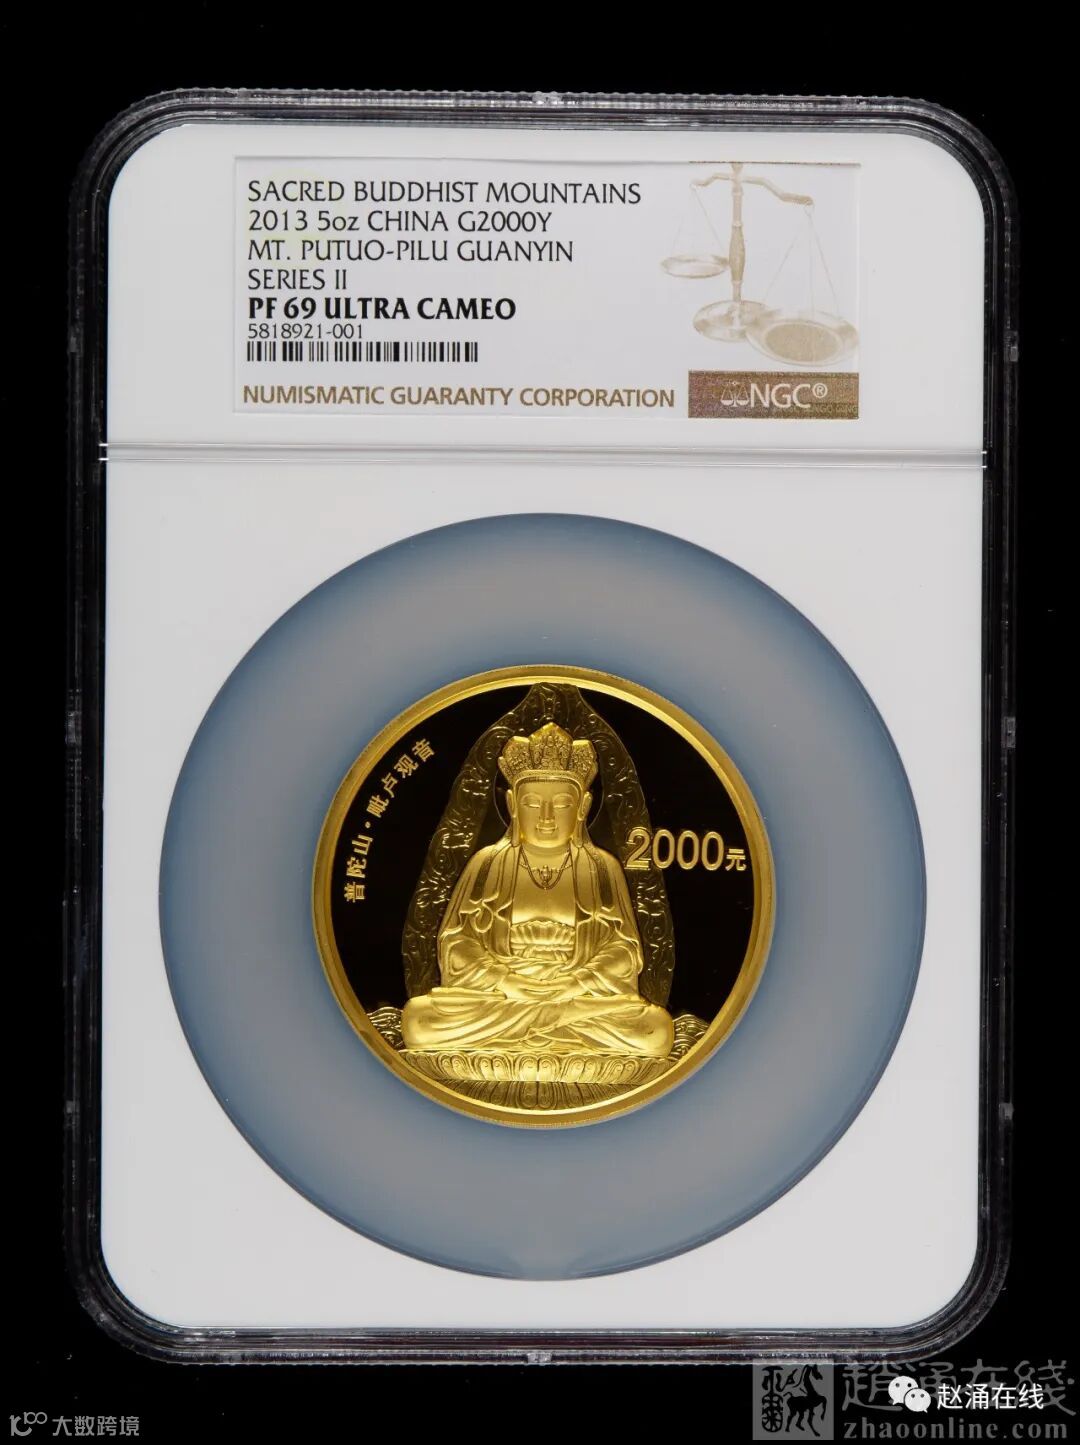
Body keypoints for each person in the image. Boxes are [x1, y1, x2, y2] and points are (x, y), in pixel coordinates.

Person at [401, 722, 674, 1058]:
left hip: (576, 997)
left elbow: (625, 950)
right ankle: (551, 1029)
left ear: (583, 807)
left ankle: (528, 1031)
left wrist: (575, 983)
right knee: (419, 1021)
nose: (546, 817)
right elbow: (456, 944)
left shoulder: (603, 869)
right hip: (501, 996)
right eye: (532, 803)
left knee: (655, 1030)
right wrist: (506, 981)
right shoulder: (487, 865)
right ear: (512, 804)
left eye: (561, 804)